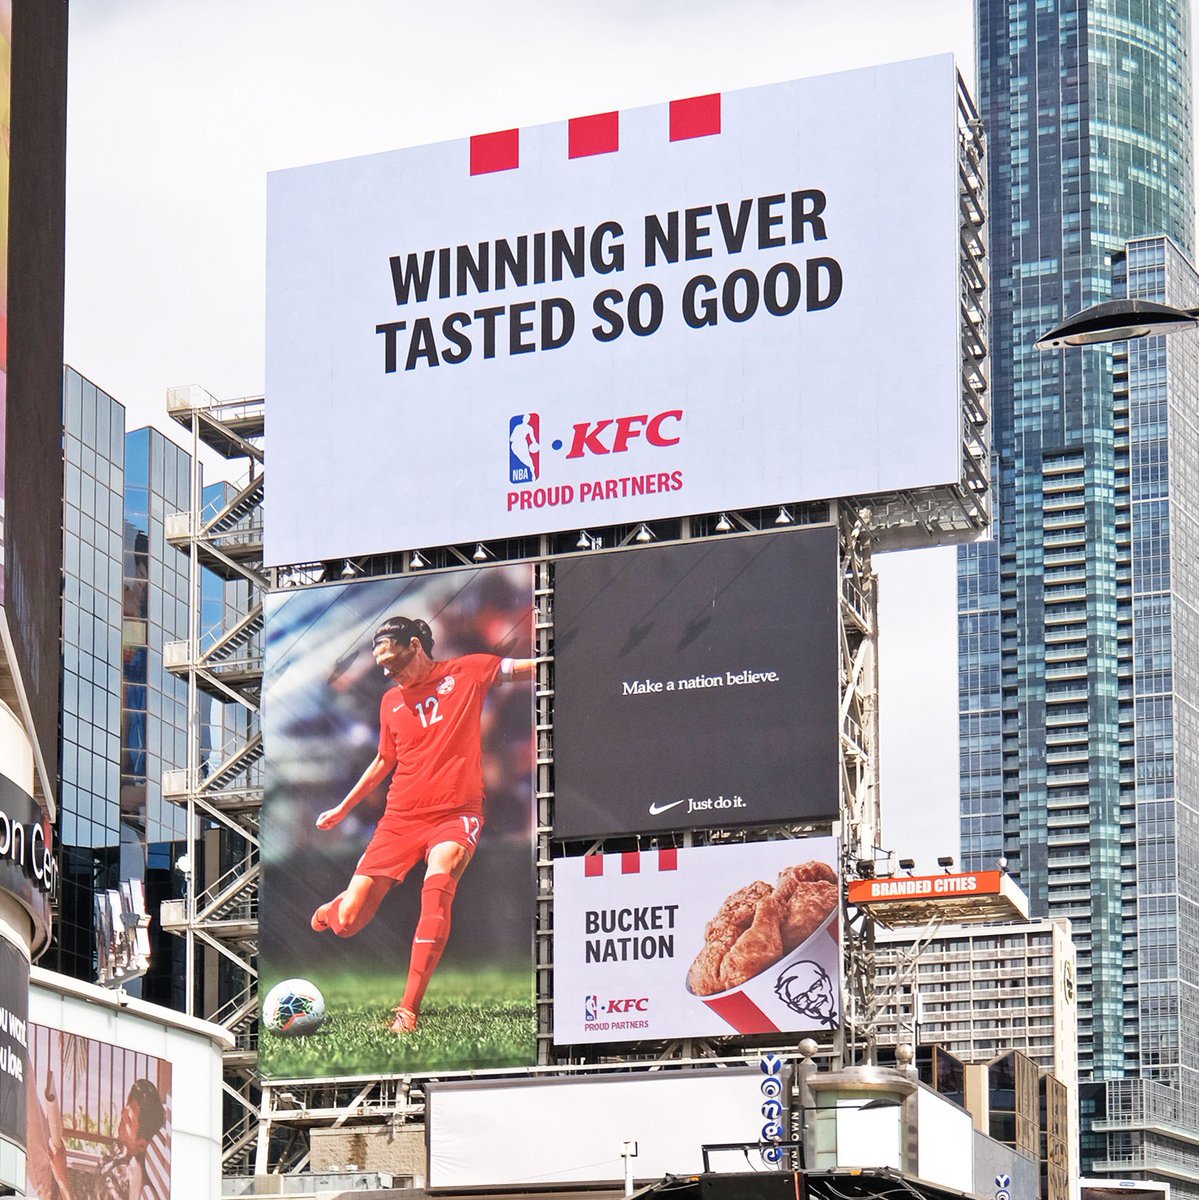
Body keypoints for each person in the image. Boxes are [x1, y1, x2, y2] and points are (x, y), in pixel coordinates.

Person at [311, 615, 535, 1033]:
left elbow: (523, 668)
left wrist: (569, 655)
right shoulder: (390, 702)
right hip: (399, 820)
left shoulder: (466, 672)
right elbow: (383, 761)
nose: (386, 671)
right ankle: (333, 909)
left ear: (416, 646)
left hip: (457, 813)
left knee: (438, 888)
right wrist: (343, 808)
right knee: (348, 924)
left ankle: (408, 1011)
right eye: (381, 665)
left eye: (392, 660)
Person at [97, 1077, 166, 1200]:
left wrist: (63, 1181)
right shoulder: (118, 1149)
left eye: (129, 1119)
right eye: (126, 1107)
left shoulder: (127, 1176)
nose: (123, 1113)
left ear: (142, 1145)